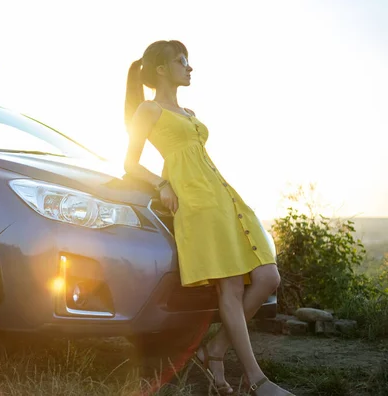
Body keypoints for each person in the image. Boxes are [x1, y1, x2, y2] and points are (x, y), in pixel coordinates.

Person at [123, 40, 294, 396]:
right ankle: (256, 380)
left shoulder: (188, 110)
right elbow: (130, 164)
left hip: (224, 197)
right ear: (160, 70)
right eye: (181, 61)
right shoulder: (148, 110)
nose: (189, 67)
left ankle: (214, 350)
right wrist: (162, 183)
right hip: (197, 204)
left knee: (267, 277)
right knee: (230, 288)